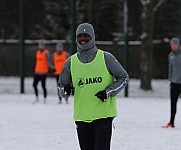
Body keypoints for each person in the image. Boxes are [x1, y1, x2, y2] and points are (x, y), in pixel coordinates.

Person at [58, 23, 129, 150]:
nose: (83, 39)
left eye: (86, 36)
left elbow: (123, 77)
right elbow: (62, 88)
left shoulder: (105, 57)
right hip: (82, 117)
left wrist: (108, 91)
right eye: (79, 36)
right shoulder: (71, 62)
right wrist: (65, 90)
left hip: (103, 116)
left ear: (93, 37)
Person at [163, 37, 181, 128]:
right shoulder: (170, 55)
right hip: (174, 83)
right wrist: (170, 79)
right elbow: (170, 68)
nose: (173, 46)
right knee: (173, 104)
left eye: (175, 44)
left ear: (178, 45)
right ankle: (171, 122)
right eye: (172, 45)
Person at [33, 40, 51, 104]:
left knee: (43, 86)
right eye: (39, 45)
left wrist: (49, 68)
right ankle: (37, 97)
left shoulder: (46, 53)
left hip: (43, 72)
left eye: (42, 45)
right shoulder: (37, 52)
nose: (40, 46)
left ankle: (45, 98)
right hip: (37, 72)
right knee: (34, 85)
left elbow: (49, 62)